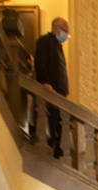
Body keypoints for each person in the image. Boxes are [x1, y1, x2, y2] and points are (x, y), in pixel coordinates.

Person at [34, 18, 71, 158]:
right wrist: (45, 82)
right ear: (57, 28)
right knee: (51, 123)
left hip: (59, 94)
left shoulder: (57, 45)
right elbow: (41, 63)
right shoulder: (45, 42)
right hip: (51, 93)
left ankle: (57, 152)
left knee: (59, 126)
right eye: (65, 31)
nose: (66, 35)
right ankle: (51, 150)